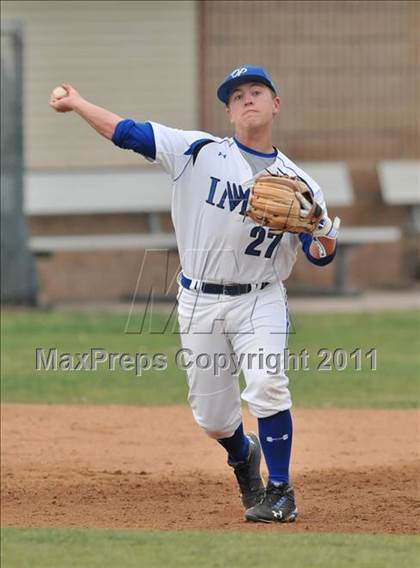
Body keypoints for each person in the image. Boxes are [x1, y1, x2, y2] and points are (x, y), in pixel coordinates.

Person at [49, 65, 338, 523]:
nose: (247, 99)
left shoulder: (300, 183)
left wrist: (318, 223)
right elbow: (129, 133)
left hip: (259, 298)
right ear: (228, 111)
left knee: (266, 384)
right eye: (237, 94)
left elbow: (321, 254)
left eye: (257, 91)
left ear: (275, 104)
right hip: (199, 299)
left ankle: (280, 491)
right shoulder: (196, 151)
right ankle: (243, 454)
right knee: (214, 420)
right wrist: (79, 104)